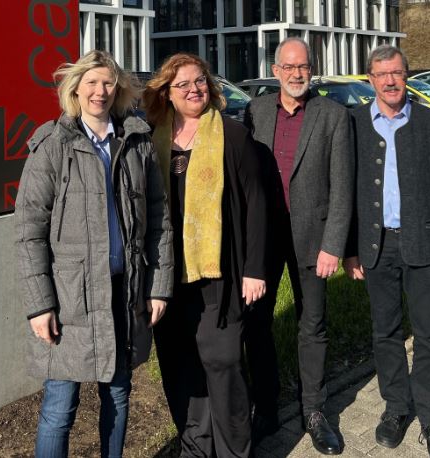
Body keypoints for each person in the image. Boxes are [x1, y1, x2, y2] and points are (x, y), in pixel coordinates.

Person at [14, 50, 173, 458]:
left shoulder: (135, 141)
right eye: (91, 83)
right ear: (76, 89)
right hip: (70, 300)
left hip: (125, 293)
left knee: (118, 398)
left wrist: (159, 287)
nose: (99, 91)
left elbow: (159, 218)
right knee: (59, 407)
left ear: (117, 89)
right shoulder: (53, 144)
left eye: (107, 83)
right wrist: (39, 305)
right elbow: (29, 230)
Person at [343, 44, 430, 458]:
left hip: (425, 246)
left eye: (396, 73)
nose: (390, 81)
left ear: (406, 75)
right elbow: (344, 192)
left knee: (429, 334)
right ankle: (396, 407)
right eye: (382, 75)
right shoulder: (355, 123)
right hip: (375, 247)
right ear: (370, 80)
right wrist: (349, 250)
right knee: (385, 332)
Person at [142, 53, 267, 457]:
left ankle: (234, 449)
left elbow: (256, 203)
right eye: (183, 85)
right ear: (167, 92)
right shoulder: (150, 137)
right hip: (166, 278)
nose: (194, 89)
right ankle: (196, 445)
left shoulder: (232, 135)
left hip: (219, 275)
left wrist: (254, 269)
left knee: (224, 363)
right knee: (179, 367)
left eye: (200, 81)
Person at [244, 37, 354, 455]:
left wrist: (334, 245)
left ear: (312, 70)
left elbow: (343, 188)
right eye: (288, 67)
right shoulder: (255, 112)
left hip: (314, 238)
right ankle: (267, 409)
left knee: (313, 325)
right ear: (275, 71)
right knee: (256, 323)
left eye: (303, 67)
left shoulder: (332, 116)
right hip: (264, 239)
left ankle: (314, 411)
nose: (296, 73)